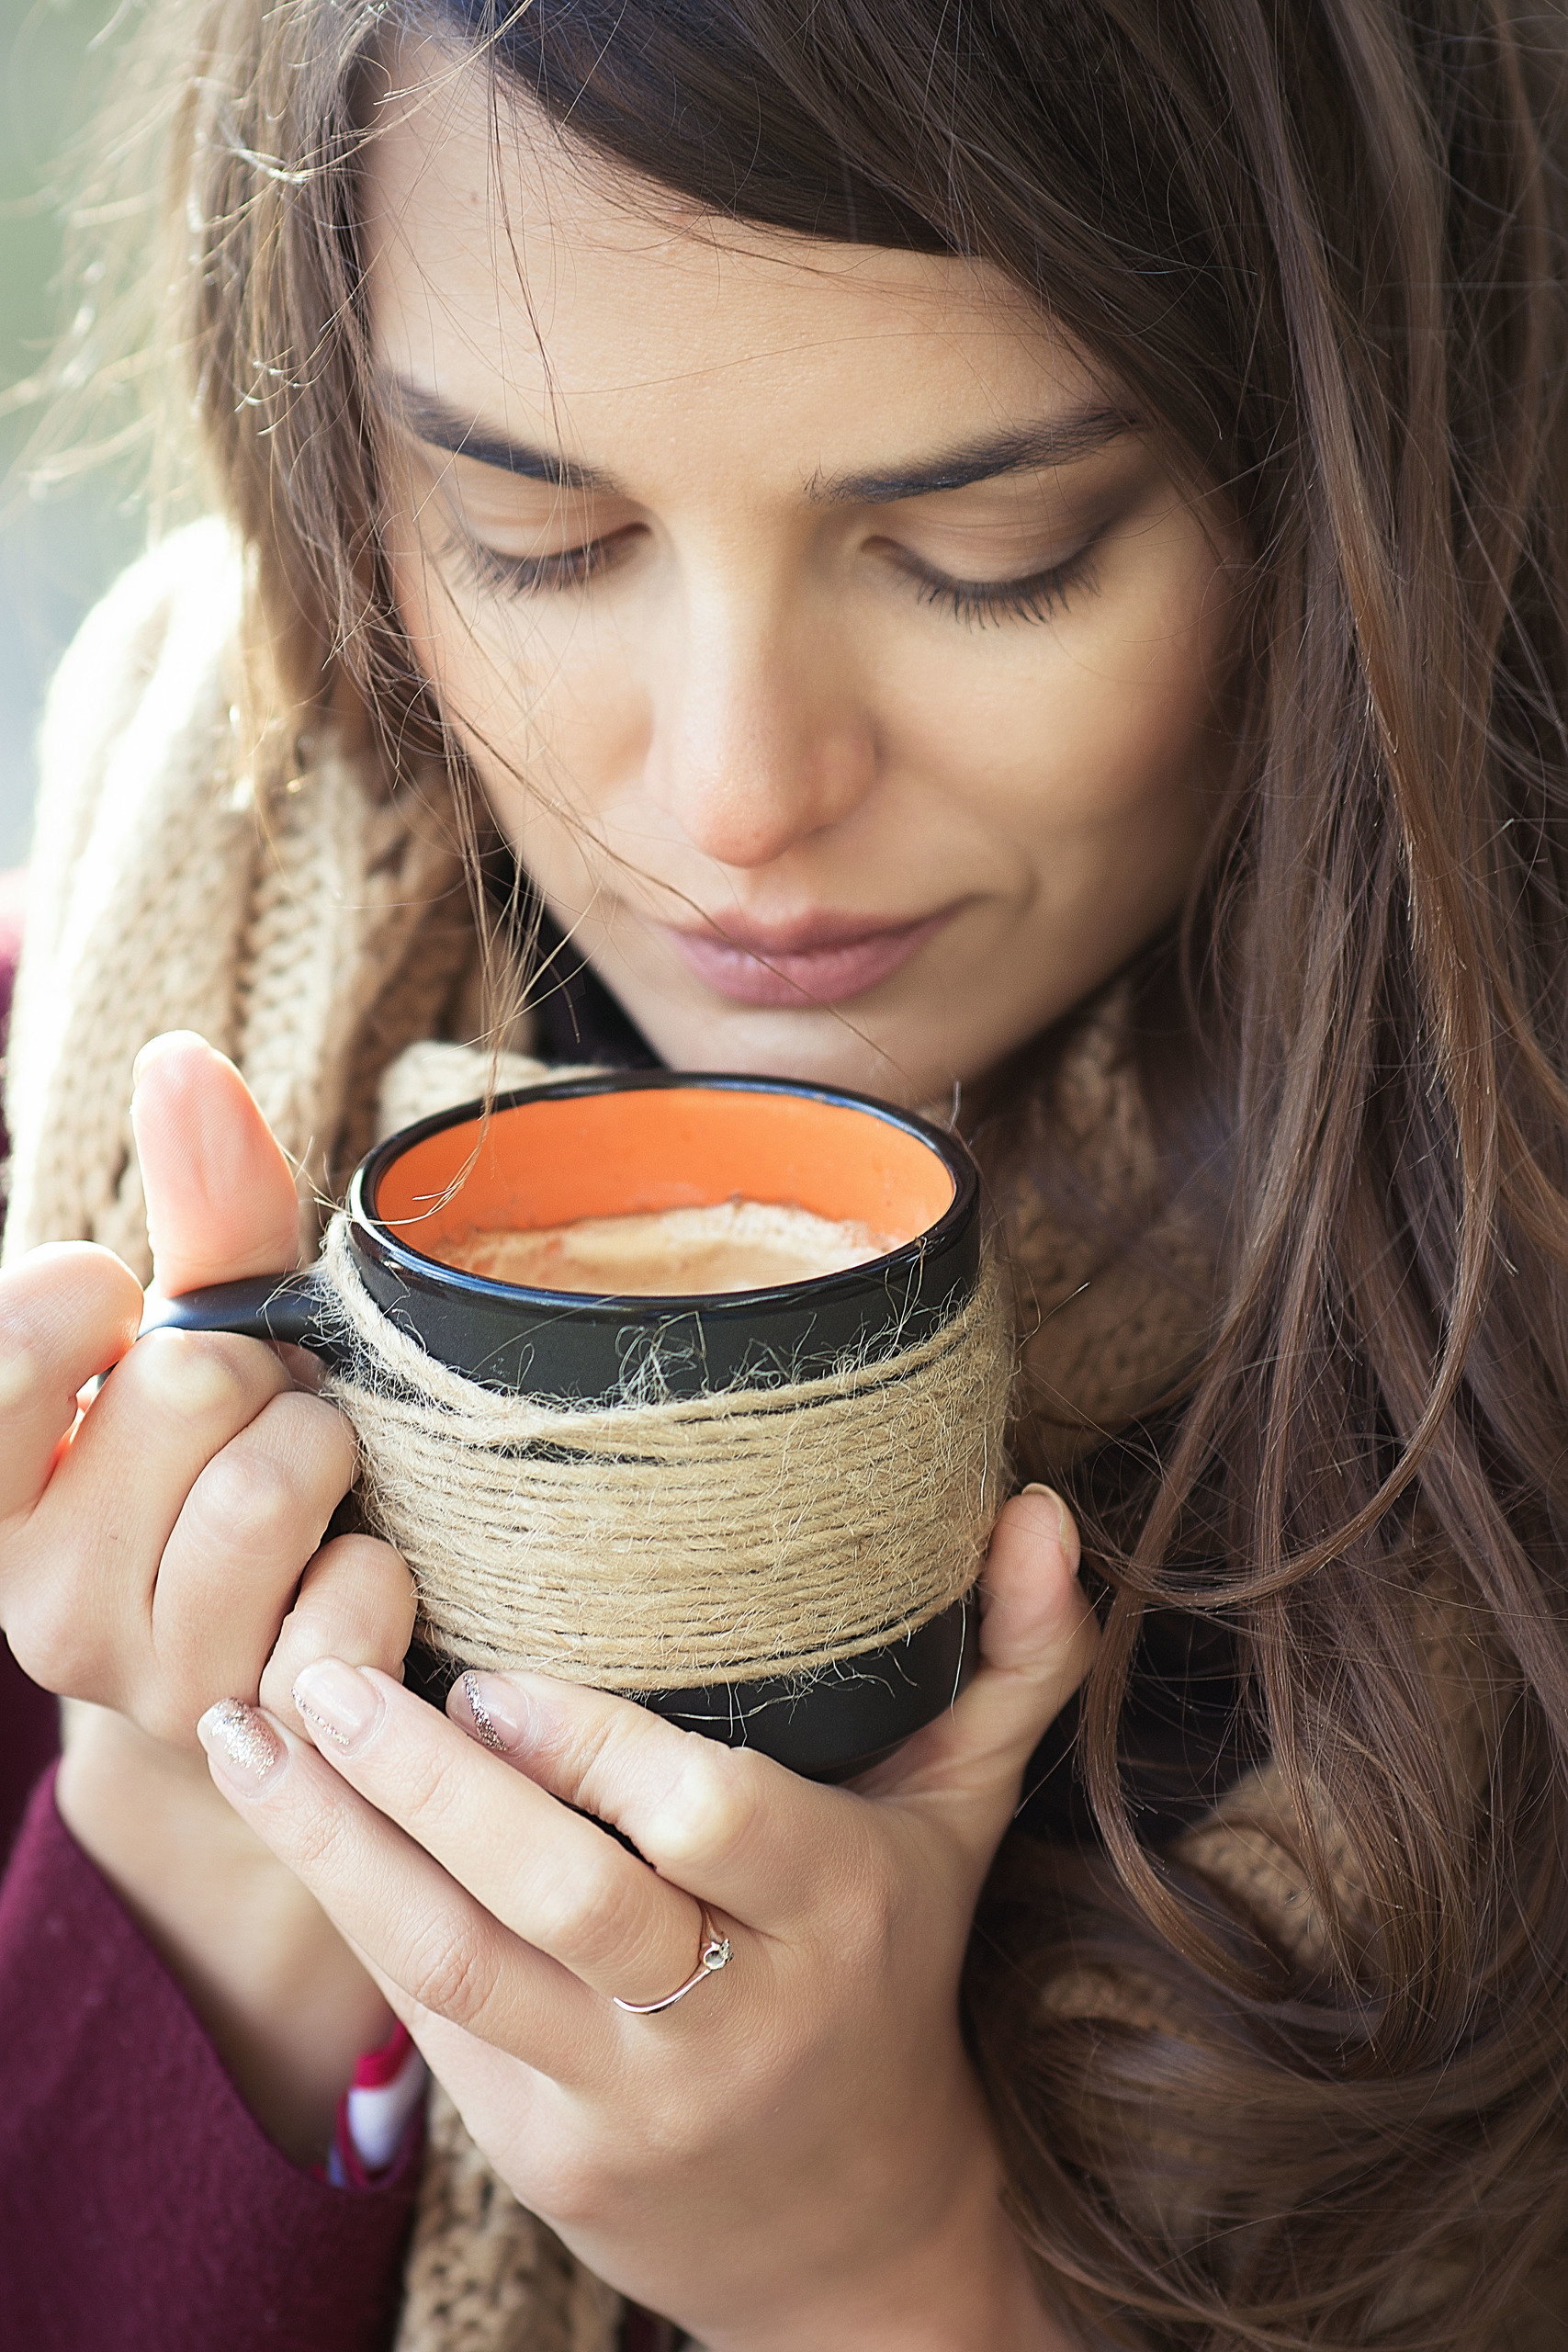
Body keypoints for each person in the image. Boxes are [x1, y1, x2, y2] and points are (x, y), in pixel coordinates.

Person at [3, 0, 1567, 2344]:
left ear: (1356, 484)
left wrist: (868, 2265)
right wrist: (209, 1836)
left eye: (987, 549)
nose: (735, 793)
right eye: (538, 535)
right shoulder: (108, 1023)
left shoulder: (1497, 1344)